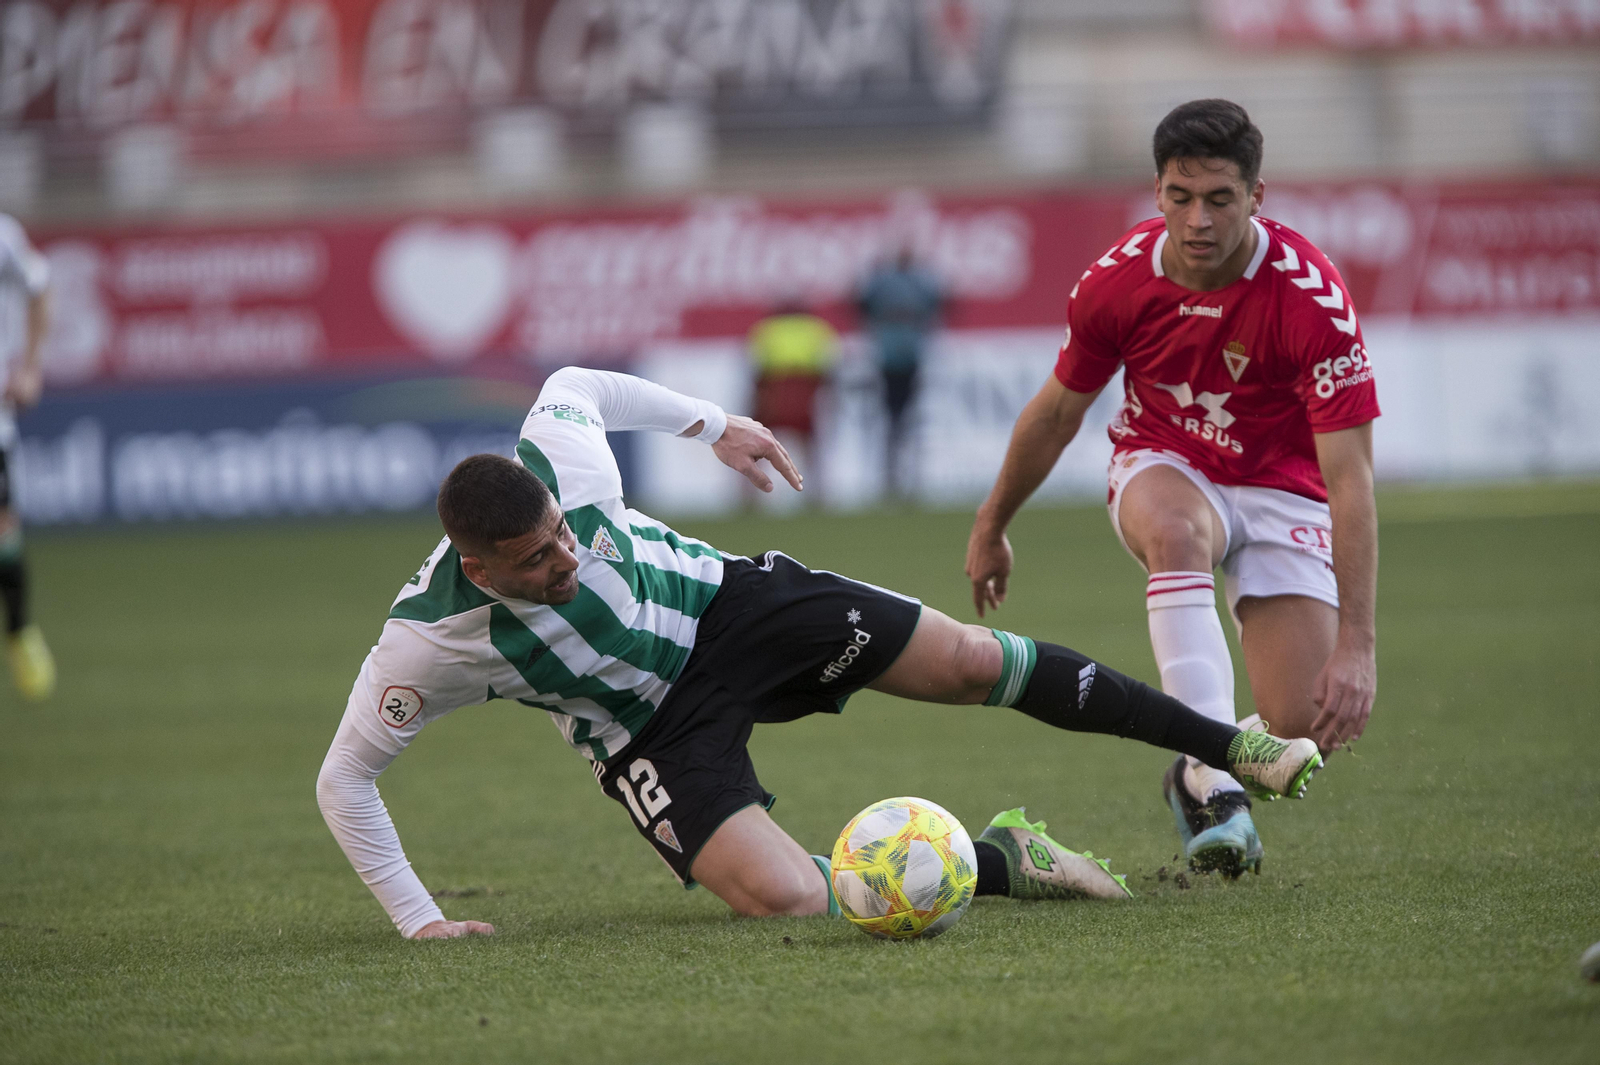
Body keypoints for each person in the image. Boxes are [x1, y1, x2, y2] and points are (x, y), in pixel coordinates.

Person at [316, 366, 1323, 939]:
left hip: (730, 605)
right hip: (647, 727)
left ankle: (1231, 750)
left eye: (566, 535)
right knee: (785, 898)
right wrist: (419, 918)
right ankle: (1004, 856)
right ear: (480, 567)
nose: (566, 559)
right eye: (537, 560)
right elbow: (345, 777)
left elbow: (572, 382)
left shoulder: (559, 466)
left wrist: (717, 424)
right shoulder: (427, 642)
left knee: (973, 660)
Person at [965, 99, 1379, 880]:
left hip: (1283, 489)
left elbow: (1350, 477)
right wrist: (993, 523)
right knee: (1180, 534)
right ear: (1157, 191)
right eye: (1181, 197)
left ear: (1256, 197)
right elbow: (1057, 414)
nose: (1198, 219)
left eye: (1220, 199)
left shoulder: (1311, 299)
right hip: (1165, 463)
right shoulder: (1115, 284)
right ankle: (1217, 775)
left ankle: (1193, 767)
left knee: (1305, 726)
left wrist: (1358, 645)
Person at [0, 214, 53, 701]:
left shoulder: (4, 237)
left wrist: (31, 368)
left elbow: (40, 285)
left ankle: (19, 632)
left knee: (4, 533)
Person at [856, 248, 943, 499]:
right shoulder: (913, 282)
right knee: (898, 420)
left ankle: (903, 477)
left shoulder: (890, 282)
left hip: (898, 355)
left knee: (901, 420)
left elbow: (862, 305)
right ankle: (897, 477)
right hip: (897, 356)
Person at [746, 300, 839, 500]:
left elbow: (758, 376)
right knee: (809, 445)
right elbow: (826, 374)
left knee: (751, 442)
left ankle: (748, 496)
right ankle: (816, 493)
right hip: (804, 398)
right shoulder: (816, 329)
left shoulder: (766, 330)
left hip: (774, 397)